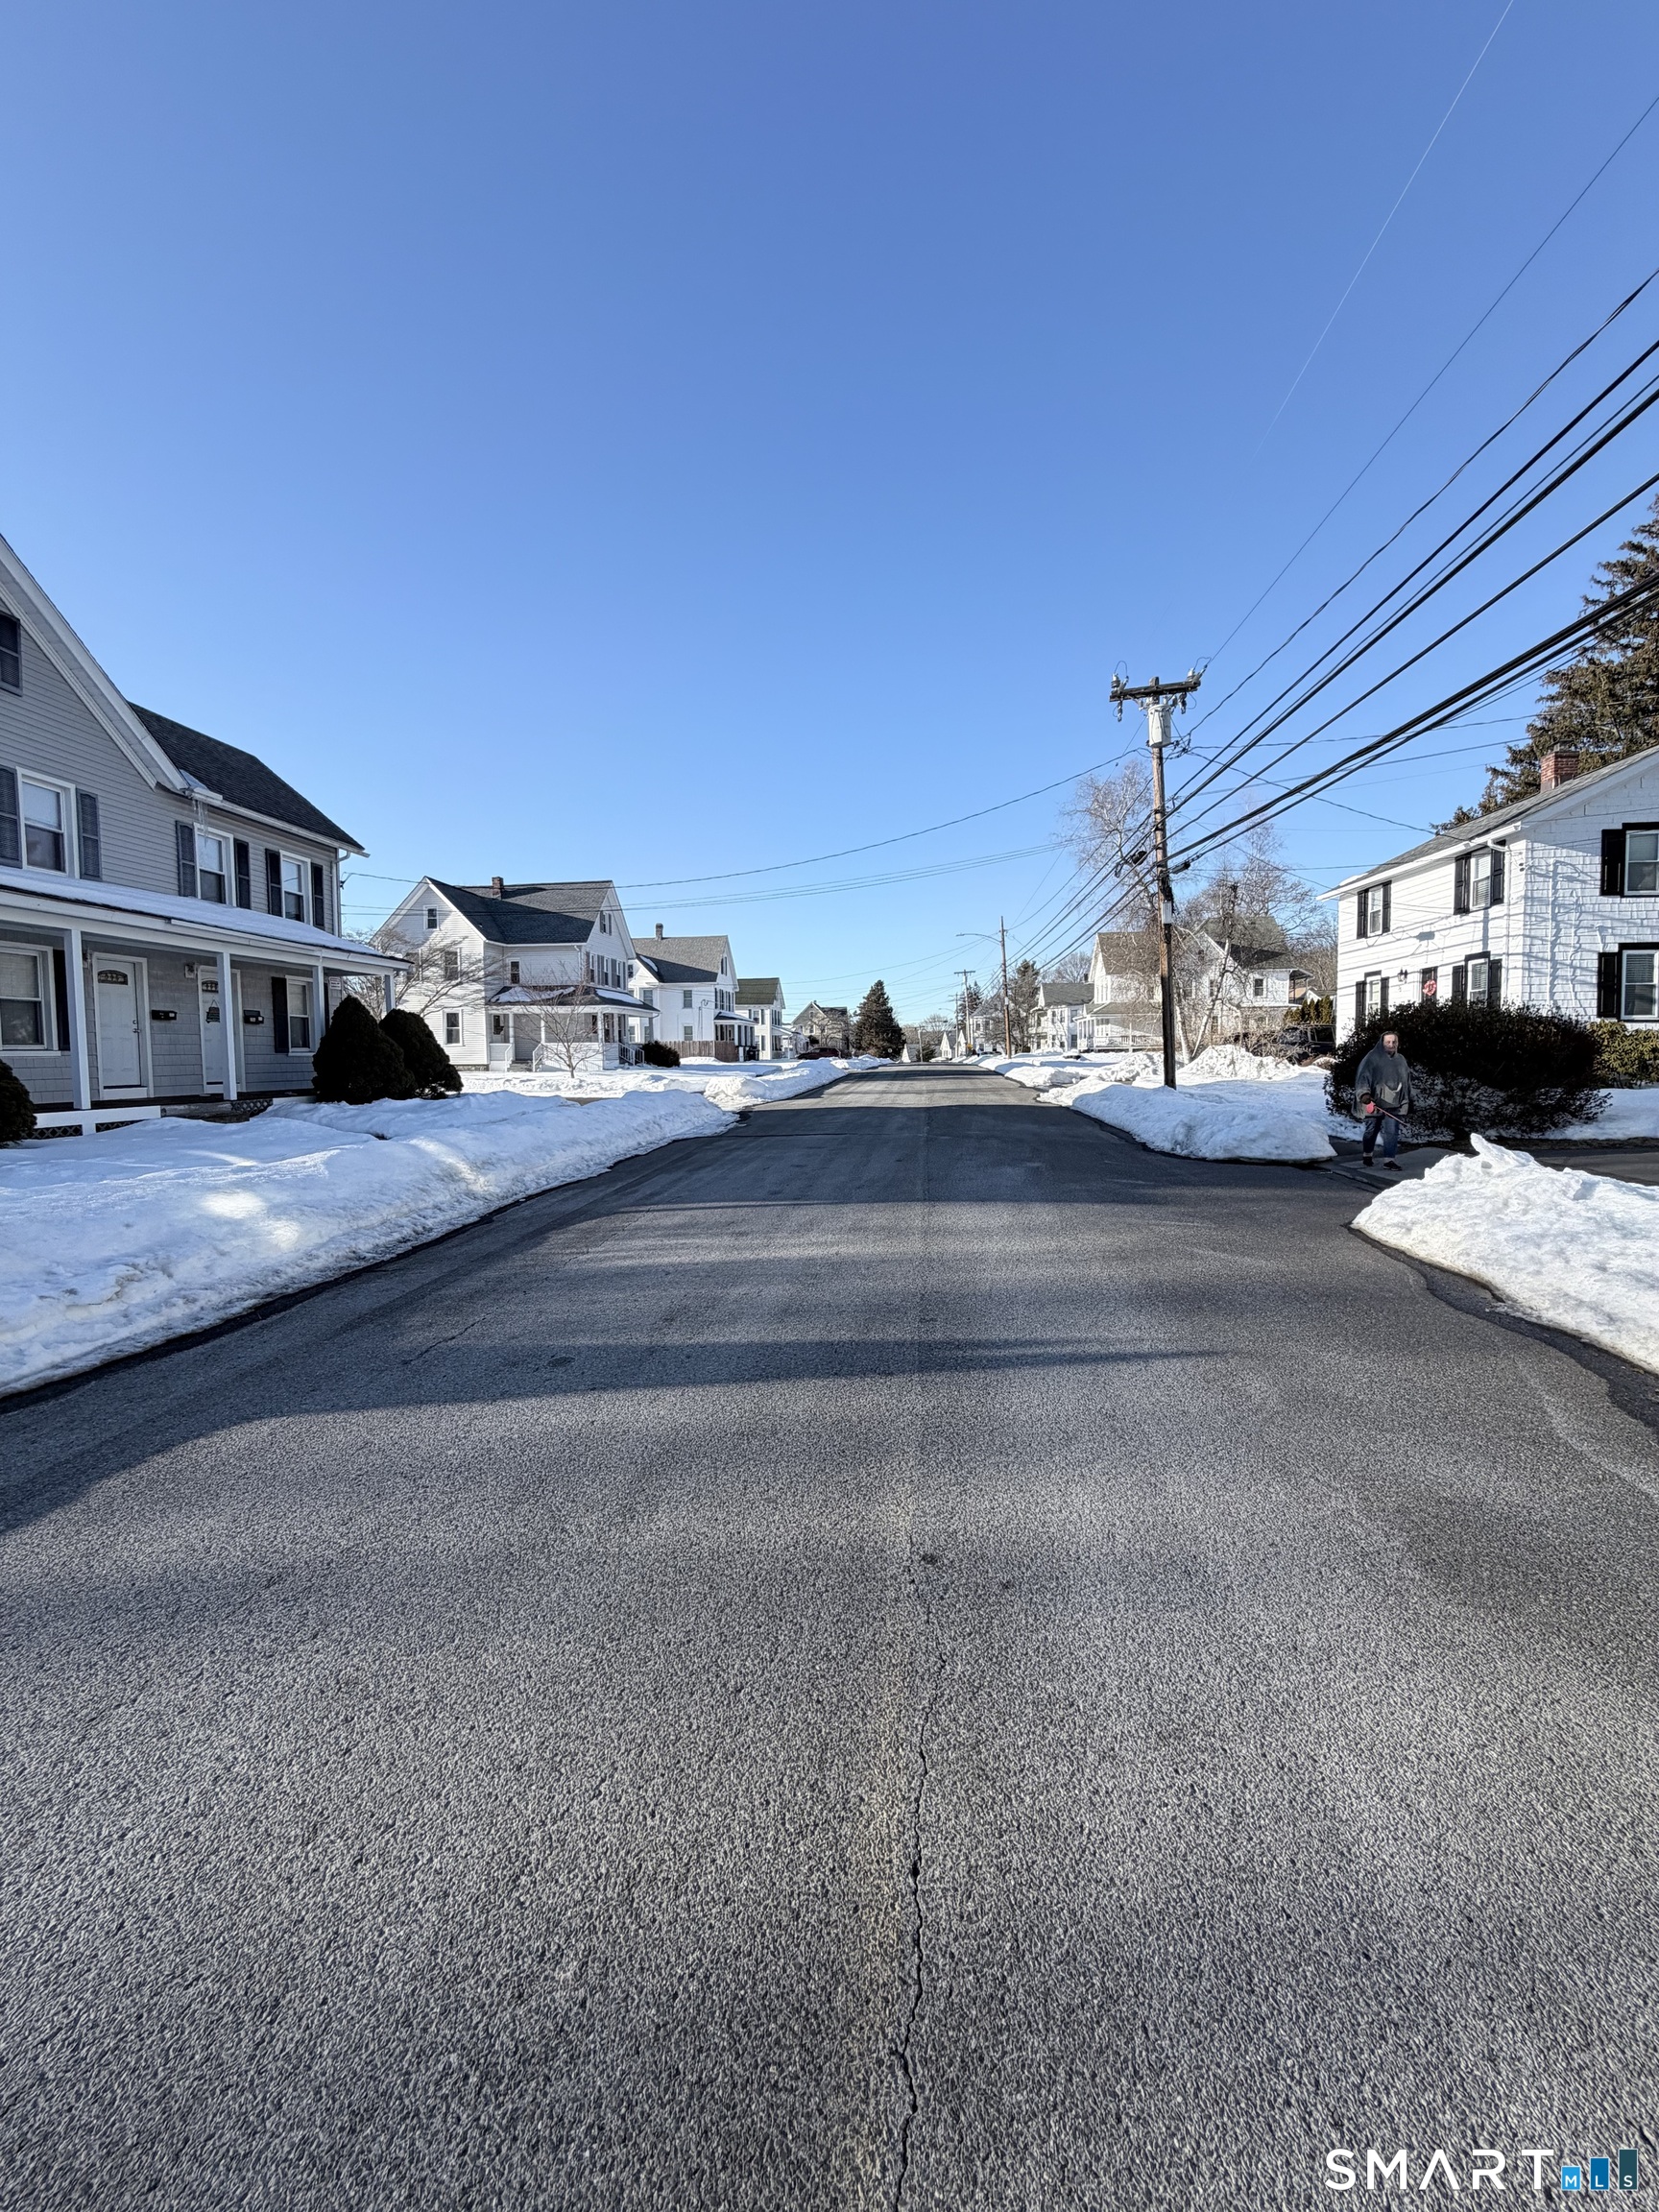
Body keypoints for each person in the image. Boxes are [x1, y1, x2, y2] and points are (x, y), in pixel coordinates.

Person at [1355, 1028, 1412, 1169]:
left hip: (1394, 1103)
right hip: (1373, 1102)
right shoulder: (1372, 1058)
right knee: (1371, 1130)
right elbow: (1363, 1077)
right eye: (1388, 1042)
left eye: (1394, 1042)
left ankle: (1389, 1160)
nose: (1391, 1044)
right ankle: (1367, 1154)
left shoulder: (1401, 1060)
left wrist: (1406, 1101)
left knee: (1392, 1132)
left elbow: (1406, 1082)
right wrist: (1364, 1095)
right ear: (1382, 1043)